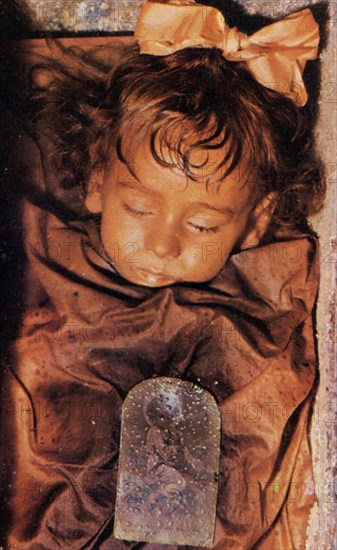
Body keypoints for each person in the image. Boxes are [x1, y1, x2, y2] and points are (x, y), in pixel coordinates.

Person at [1, 1, 326, 548]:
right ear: (99, 181)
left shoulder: (252, 305)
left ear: (255, 223)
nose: (161, 244)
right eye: (140, 210)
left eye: (201, 226)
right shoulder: (47, 258)